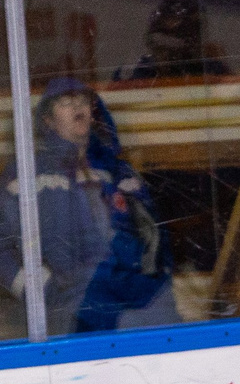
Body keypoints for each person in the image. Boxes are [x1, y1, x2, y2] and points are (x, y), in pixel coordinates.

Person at [0, 77, 174, 336]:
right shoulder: (26, 172)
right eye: (67, 103)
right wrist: (38, 290)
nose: (78, 108)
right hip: (70, 309)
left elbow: (153, 236)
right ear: (47, 120)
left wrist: (152, 280)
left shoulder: (115, 172)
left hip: (131, 301)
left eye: (83, 101)